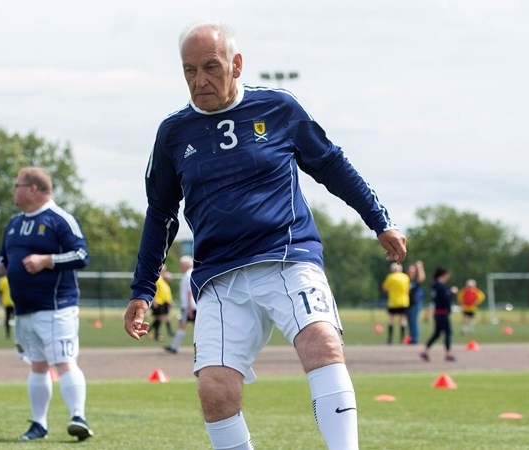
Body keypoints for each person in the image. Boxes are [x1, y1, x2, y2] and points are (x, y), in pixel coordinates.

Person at [122, 21, 407, 450]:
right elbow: (161, 214)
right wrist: (143, 289)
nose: (199, 80)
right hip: (219, 277)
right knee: (214, 389)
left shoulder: (278, 108)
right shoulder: (172, 134)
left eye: (210, 67)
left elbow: (331, 165)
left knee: (322, 342)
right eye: (189, 70)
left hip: (288, 256)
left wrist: (379, 219)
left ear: (236, 65)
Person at [0, 167, 94, 441]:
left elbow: (82, 255)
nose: (13, 190)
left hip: (56, 307)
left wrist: (46, 260)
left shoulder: (60, 220)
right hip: (24, 310)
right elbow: (4, 257)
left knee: (64, 361)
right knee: (37, 365)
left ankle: (79, 417)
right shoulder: (14, 224)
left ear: (33, 189)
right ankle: (39, 425)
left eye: (16, 185)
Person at [420, 267, 458, 362]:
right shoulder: (440, 286)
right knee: (448, 333)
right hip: (443, 313)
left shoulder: (435, 285)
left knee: (437, 334)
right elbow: (445, 298)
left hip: (437, 312)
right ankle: (448, 354)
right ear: (443, 275)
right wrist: (451, 292)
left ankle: (425, 351)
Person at [165, 255, 195, 354]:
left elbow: (190, 292)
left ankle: (174, 347)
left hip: (189, 307)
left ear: (186, 265)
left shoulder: (188, 274)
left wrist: (190, 308)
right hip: (190, 306)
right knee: (194, 327)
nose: (180, 267)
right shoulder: (190, 273)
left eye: (181, 265)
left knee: (182, 326)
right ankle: (174, 347)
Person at [382, 263, 410, 345]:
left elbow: (385, 288)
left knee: (391, 320)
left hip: (393, 301)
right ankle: (402, 339)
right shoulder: (405, 277)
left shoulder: (390, 277)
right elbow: (408, 289)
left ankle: (390, 339)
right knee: (403, 320)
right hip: (404, 301)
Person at [149, 264, 174, 341]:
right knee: (159, 318)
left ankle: (154, 334)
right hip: (158, 302)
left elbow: (165, 292)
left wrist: (169, 301)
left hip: (162, 302)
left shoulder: (162, 279)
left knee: (160, 318)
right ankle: (151, 332)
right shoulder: (158, 278)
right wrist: (155, 300)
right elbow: (155, 290)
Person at [405, 260, 425, 344]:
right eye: (410, 270)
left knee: (414, 321)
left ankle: (414, 339)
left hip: (415, 303)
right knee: (410, 322)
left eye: (413, 270)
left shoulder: (415, 280)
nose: (411, 272)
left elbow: (422, 278)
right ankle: (411, 337)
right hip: (407, 303)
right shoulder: (406, 279)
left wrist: (420, 268)